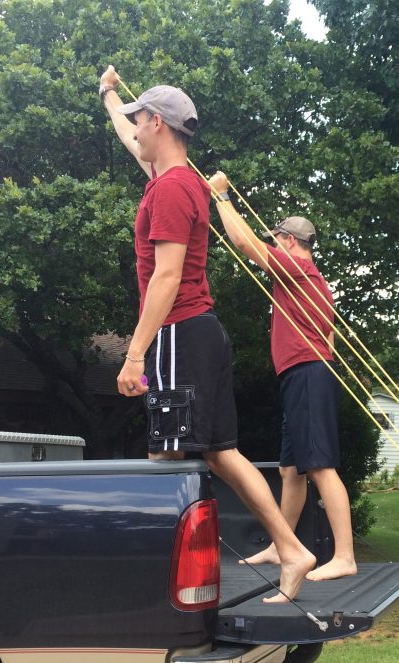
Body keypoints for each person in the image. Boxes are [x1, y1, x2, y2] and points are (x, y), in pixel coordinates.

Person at [98, 66, 315, 601]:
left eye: (138, 120)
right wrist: (108, 95)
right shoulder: (179, 180)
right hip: (203, 332)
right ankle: (293, 549)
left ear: (158, 122)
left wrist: (134, 355)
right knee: (220, 452)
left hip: (178, 332)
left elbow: (167, 277)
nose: (135, 130)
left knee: (165, 456)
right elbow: (131, 142)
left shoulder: (171, 190)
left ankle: (162, 576)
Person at [207, 171, 357, 581]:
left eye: (276, 240)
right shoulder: (316, 281)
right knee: (292, 471)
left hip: (309, 372)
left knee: (322, 466)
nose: (274, 246)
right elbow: (328, 334)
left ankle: (344, 555)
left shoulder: (298, 269)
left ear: (290, 242)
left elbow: (243, 243)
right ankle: (281, 545)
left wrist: (221, 196)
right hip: (303, 373)